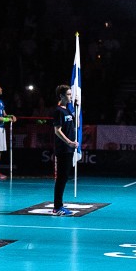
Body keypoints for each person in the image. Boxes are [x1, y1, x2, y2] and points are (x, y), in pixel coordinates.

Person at [52, 85, 77, 217]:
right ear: (61, 96)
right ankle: (57, 207)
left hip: (69, 149)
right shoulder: (58, 111)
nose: (70, 96)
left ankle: (59, 204)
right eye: (68, 94)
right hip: (63, 149)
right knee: (61, 178)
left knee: (65, 177)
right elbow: (57, 130)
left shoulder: (67, 110)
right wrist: (69, 142)